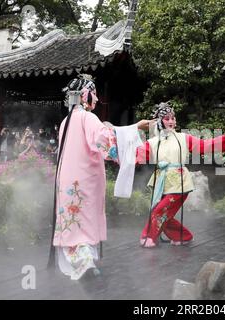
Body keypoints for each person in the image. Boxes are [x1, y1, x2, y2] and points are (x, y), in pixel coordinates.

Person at [49, 74, 151, 280]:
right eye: (94, 93)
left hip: (67, 180)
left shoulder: (65, 121)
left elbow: (105, 133)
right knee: (84, 222)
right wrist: (136, 134)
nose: (96, 99)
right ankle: (85, 263)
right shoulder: (88, 118)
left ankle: (79, 261)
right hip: (85, 181)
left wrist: (125, 128)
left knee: (72, 220)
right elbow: (106, 142)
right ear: (84, 95)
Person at [136, 102, 225, 248]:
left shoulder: (183, 138)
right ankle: (183, 236)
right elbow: (136, 156)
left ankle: (150, 237)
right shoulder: (152, 142)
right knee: (163, 212)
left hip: (180, 183)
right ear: (160, 121)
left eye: (173, 118)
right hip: (162, 181)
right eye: (167, 118)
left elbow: (204, 146)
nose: (171, 121)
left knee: (160, 211)